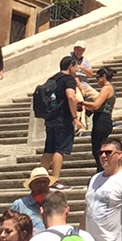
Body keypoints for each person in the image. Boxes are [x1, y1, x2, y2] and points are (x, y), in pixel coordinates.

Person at [39, 53, 86, 185]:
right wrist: (75, 118)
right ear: (71, 66)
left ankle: (41, 178)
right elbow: (71, 96)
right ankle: (55, 179)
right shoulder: (68, 79)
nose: (76, 69)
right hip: (63, 118)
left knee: (49, 149)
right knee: (60, 149)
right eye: (75, 66)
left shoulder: (52, 79)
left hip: (50, 118)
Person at [83, 68, 119, 170]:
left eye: (98, 78)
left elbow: (96, 105)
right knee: (99, 148)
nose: (97, 81)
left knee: (97, 150)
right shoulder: (111, 88)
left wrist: (81, 102)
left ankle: (102, 171)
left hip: (102, 120)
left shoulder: (106, 88)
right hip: (105, 119)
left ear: (103, 77)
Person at [11, 168, 55, 232]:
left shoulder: (54, 204)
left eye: (45, 182)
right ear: (31, 186)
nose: (42, 186)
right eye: (38, 183)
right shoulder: (20, 205)